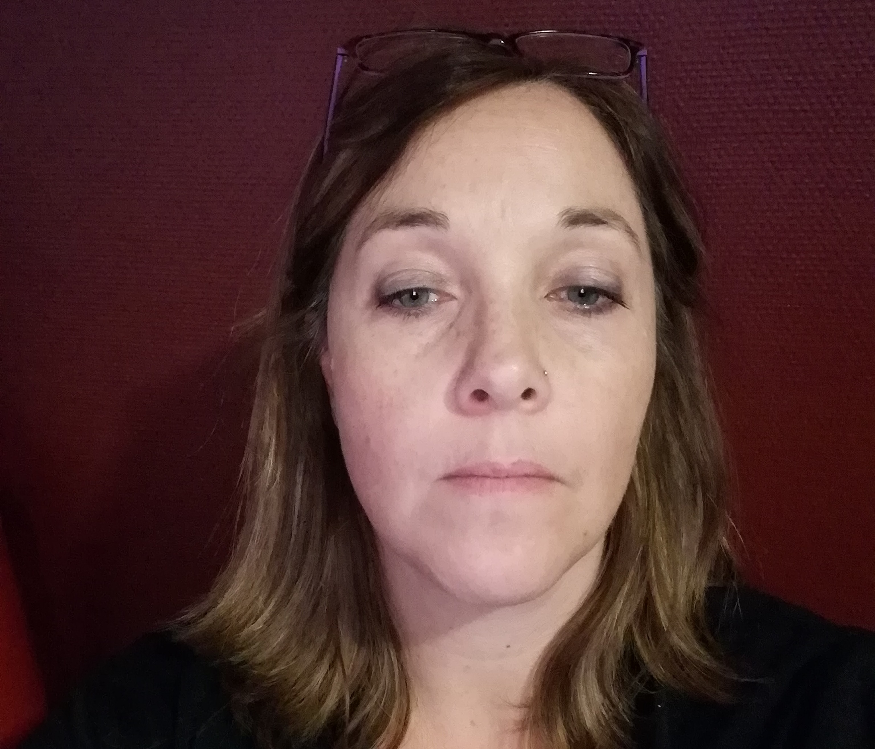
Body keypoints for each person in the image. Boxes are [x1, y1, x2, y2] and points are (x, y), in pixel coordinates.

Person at [18, 28, 875, 749]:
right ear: (322, 356)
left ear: (658, 360)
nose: (502, 366)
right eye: (414, 292)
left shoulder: (835, 707)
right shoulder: (137, 724)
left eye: (583, 290)